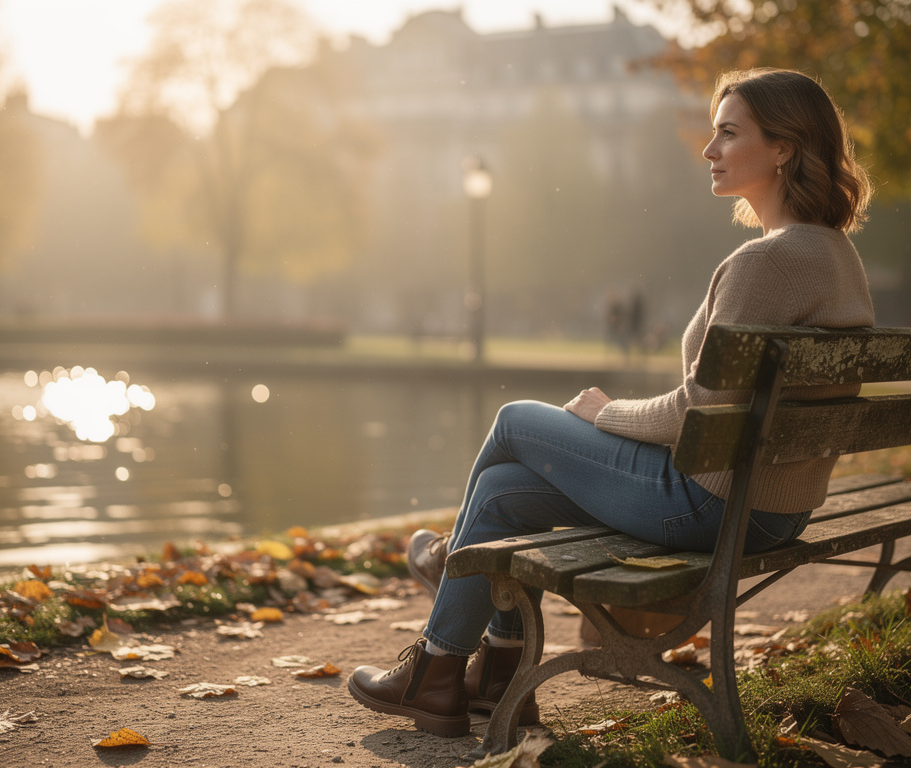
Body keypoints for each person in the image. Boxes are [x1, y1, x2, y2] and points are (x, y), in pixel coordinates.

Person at [347, 68, 875, 738]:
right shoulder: (835, 255)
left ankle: (449, 634)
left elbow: (695, 412)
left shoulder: (766, 263)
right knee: (506, 494)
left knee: (514, 422)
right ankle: (475, 673)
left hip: (711, 504)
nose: (709, 148)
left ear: (783, 148)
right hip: (772, 506)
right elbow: (719, 412)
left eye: (728, 132)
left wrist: (605, 415)